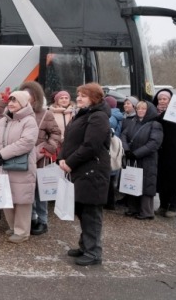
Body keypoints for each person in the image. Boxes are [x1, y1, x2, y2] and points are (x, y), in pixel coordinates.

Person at [59, 82, 110, 266]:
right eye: (78, 94)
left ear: (94, 98)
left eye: (83, 95)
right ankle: (85, 246)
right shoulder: (83, 114)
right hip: (81, 170)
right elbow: (69, 140)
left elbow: (91, 145)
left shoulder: (98, 117)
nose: (78, 98)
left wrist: (70, 162)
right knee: (82, 210)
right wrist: (62, 158)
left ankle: (94, 252)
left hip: (92, 171)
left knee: (91, 213)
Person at [0, 91, 39, 244]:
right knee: (6, 196)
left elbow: (26, 142)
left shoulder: (29, 121)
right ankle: (13, 227)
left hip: (22, 166)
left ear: (24, 103)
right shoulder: (3, 120)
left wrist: (2, 154)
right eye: (10, 100)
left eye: (15, 101)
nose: (11, 104)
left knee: (22, 199)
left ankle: (22, 231)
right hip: (4, 164)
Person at [19, 81, 61, 236]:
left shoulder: (45, 114)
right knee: (25, 190)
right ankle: (29, 218)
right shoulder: (17, 112)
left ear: (35, 97)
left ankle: (42, 220)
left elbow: (56, 134)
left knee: (39, 191)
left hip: (39, 159)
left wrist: (47, 147)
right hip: (21, 158)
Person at [120, 100, 163, 219]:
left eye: (143, 109)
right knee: (133, 183)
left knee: (146, 185)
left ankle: (147, 212)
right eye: (138, 108)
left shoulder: (155, 124)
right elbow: (124, 135)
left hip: (147, 160)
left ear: (149, 111)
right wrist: (127, 149)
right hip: (133, 158)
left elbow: (154, 143)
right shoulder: (133, 122)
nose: (140, 111)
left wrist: (136, 154)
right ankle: (133, 208)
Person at [152, 89, 176, 218]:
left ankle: (174, 206)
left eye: (165, 99)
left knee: (174, 178)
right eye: (160, 99)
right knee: (161, 178)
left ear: (170, 100)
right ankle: (163, 205)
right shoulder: (155, 112)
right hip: (161, 149)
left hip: (175, 151)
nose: (162, 101)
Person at [104, 95, 124, 210]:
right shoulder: (117, 114)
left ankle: (109, 202)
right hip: (114, 145)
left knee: (109, 176)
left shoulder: (111, 116)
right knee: (111, 175)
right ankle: (109, 201)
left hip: (111, 145)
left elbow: (107, 127)